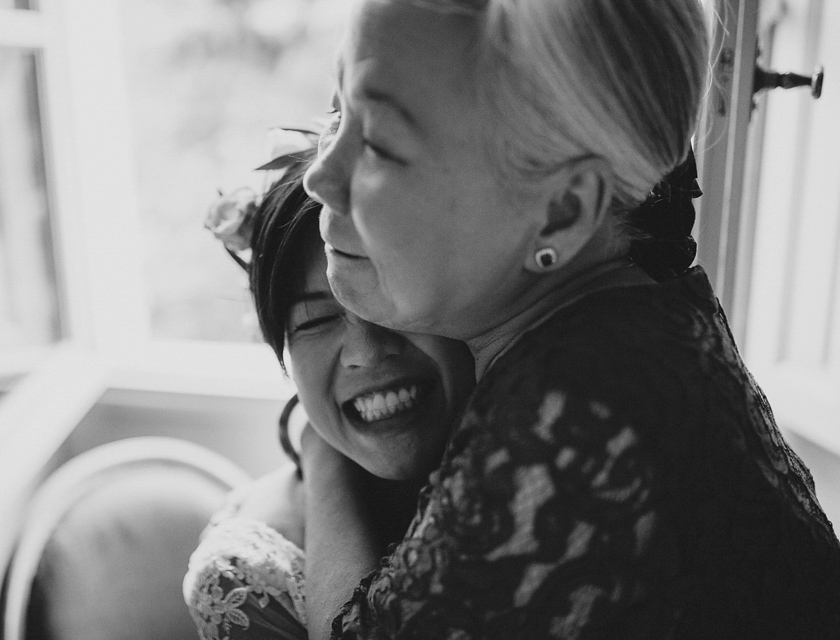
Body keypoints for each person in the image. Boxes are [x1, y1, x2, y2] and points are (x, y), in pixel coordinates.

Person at [298, 1, 840, 638]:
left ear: (562, 213)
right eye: (339, 112)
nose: (318, 177)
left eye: (381, 146)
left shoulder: (573, 410)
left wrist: (320, 453)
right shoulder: (651, 311)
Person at [183, 144, 476, 640]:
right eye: (316, 319)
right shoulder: (249, 578)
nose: (367, 351)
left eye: (390, 295)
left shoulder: (555, 456)